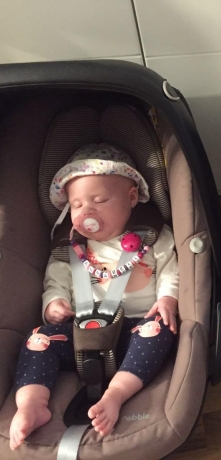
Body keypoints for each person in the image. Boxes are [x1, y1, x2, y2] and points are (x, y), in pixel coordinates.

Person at [9, 143, 179, 450]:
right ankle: (32, 404)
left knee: (160, 330)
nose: (87, 211)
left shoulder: (153, 236)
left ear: (131, 198)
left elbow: (171, 269)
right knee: (38, 339)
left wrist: (168, 298)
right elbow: (55, 281)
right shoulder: (69, 248)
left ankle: (116, 394)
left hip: (136, 328)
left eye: (99, 200)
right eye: (76, 205)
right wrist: (54, 304)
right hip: (80, 333)